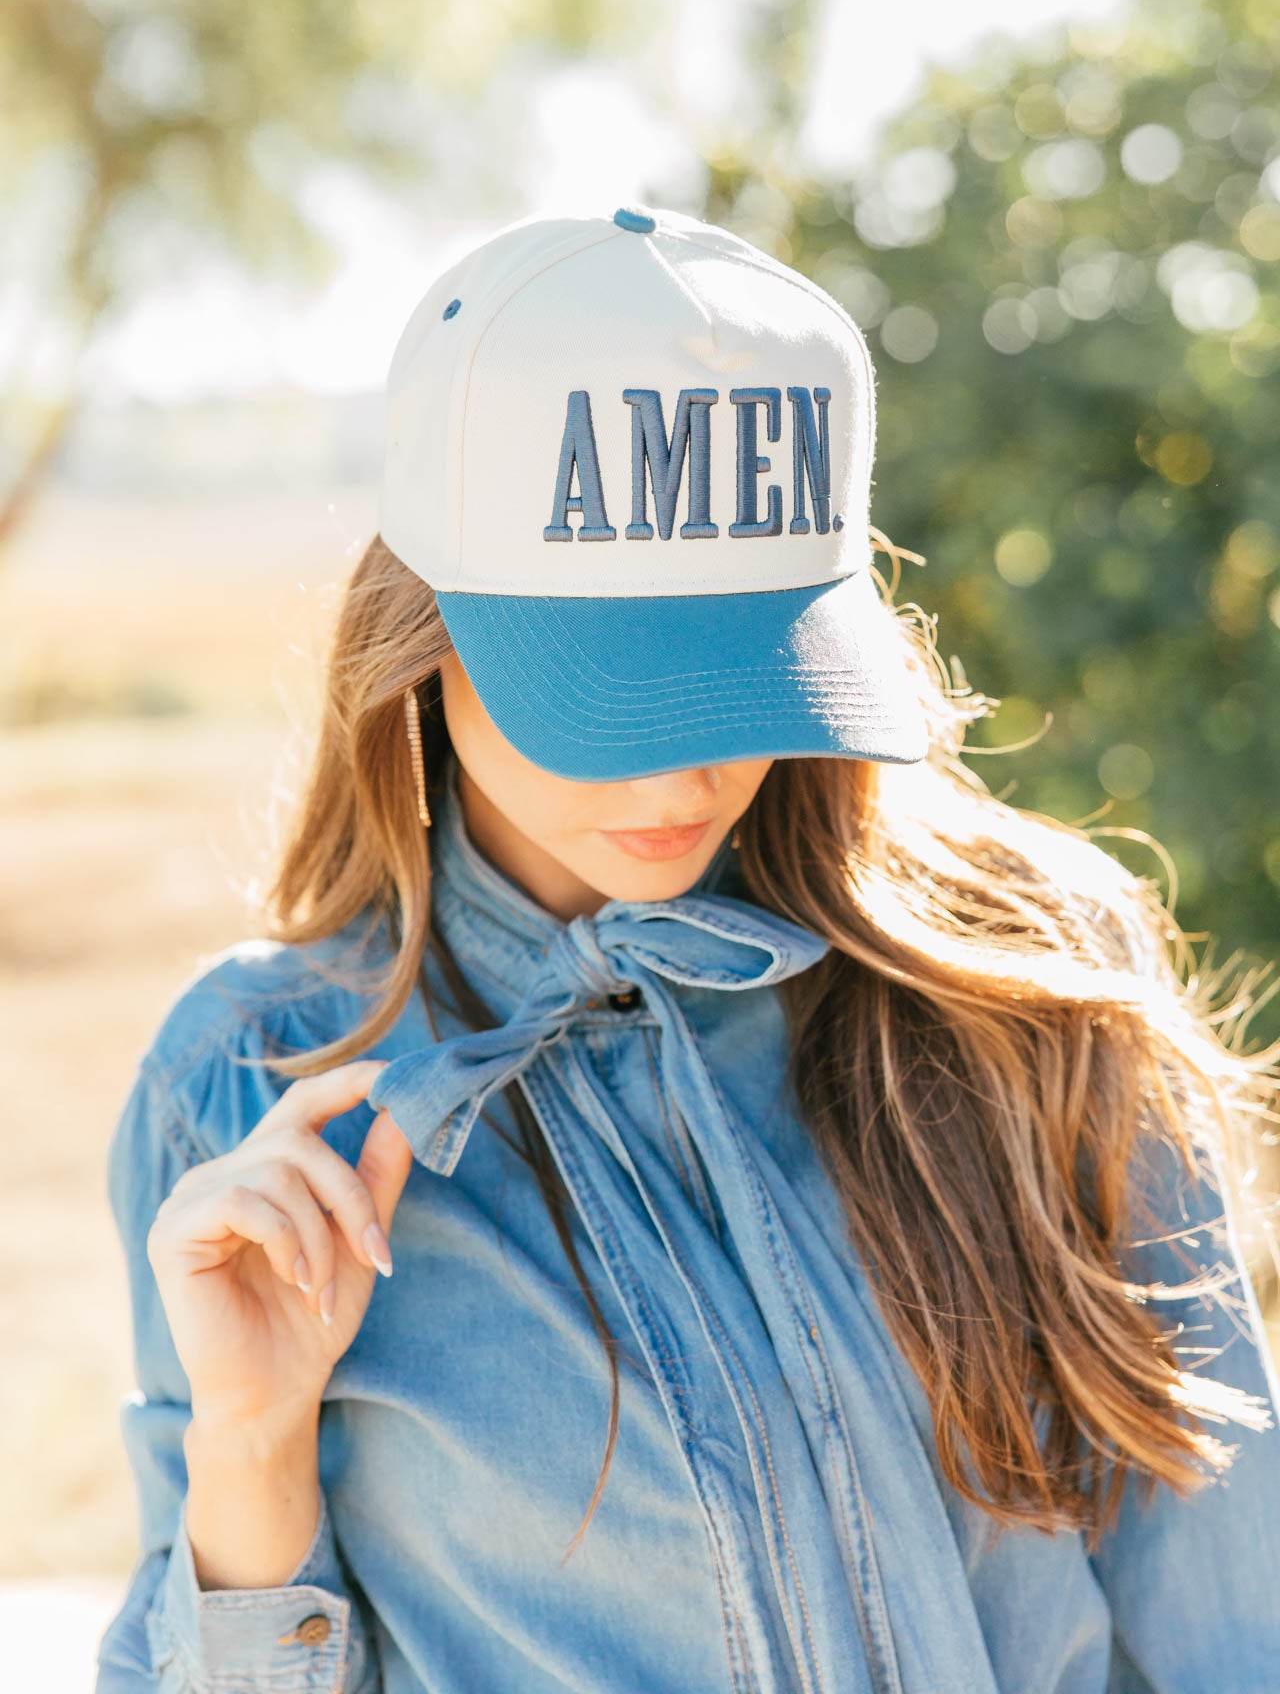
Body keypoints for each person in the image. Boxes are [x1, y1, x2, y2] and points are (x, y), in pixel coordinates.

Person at [97, 205, 1280, 1694]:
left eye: (743, 674)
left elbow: (1231, 1612)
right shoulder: (247, 1082)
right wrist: (253, 1447)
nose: (680, 784)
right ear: (424, 632)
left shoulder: (1032, 988)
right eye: (608, 691)